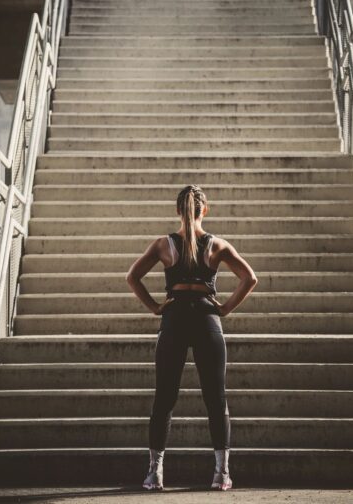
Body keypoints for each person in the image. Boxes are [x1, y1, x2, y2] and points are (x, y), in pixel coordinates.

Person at [126, 184, 258, 491]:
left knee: (165, 397)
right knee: (216, 398)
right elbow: (250, 278)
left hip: (174, 317)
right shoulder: (217, 245)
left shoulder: (163, 244)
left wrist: (155, 308)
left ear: (178, 210)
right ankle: (221, 474)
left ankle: (154, 474)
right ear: (205, 210)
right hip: (205, 316)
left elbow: (132, 277)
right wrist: (224, 308)